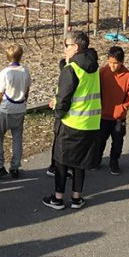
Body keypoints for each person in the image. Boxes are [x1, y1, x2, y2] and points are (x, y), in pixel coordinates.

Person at [43, 31, 101, 210]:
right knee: (80, 162)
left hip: (71, 123)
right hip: (91, 123)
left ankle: (58, 198)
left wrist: (57, 112)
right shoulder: (94, 66)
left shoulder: (72, 69)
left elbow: (64, 97)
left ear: (75, 47)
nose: (64, 49)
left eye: (66, 45)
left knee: (61, 161)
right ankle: (77, 198)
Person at [0, 44, 32, 181]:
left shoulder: (5, 73)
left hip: (6, 109)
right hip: (20, 108)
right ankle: (15, 166)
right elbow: (27, 89)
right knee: (17, 138)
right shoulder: (25, 71)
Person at [99, 46, 129, 175]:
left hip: (119, 117)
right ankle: (97, 158)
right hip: (103, 115)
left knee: (118, 141)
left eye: (115, 63)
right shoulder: (102, 72)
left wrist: (123, 108)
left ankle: (114, 161)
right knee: (99, 139)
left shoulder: (128, 76)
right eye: (110, 62)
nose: (112, 66)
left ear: (122, 62)